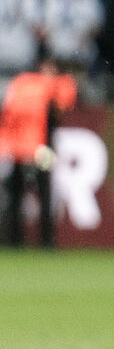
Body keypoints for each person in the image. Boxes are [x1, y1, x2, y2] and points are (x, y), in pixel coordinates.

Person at [2, 49, 75, 247]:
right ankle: (42, 240)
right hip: (39, 147)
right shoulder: (44, 85)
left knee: (22, 192)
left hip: (21, 146)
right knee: (40, 191)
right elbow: (65, 101)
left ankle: (20, 239)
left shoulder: (21, 84)